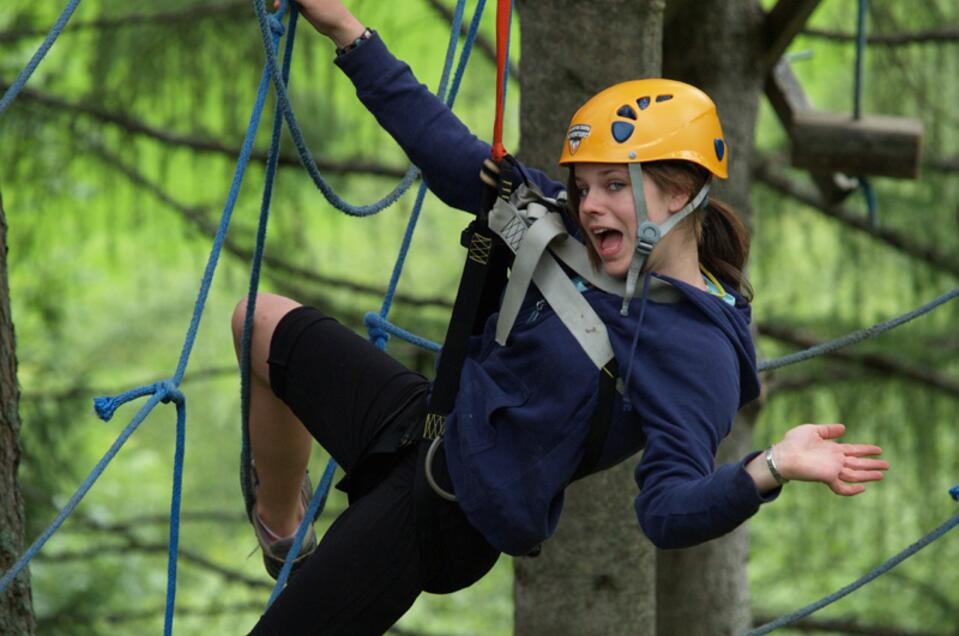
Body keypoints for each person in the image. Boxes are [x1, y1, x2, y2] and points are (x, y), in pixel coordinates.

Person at [235, 1, 890, 633]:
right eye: (584, 185)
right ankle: (287, 536)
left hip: (444, 508)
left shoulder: (696, 349)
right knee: (256, 323)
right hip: (427, 420)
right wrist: (347, 31)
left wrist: (766, 467)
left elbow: (666, 512)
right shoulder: (558, 223)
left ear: (679, 192)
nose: (590, 204)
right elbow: (453, 155)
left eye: (614, 186)